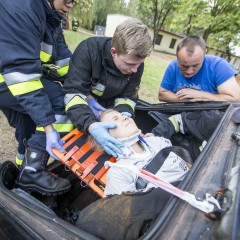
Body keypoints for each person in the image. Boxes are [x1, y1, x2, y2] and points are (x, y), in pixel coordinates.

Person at [0, 0, 75, 195]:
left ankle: (21, 169)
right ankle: (32, 172)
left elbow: (64, 63)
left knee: (30, 124)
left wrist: (85, 86)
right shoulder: (22, 8)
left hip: (12, 75)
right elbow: (22, 74)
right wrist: (49, 128)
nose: (71, 4)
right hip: (9, 77)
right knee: (58, 101)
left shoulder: (51, 16)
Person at [63, 18, 152, 158]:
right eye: (129, 64)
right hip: (82, 107)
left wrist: (124, 114)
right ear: (113, 51)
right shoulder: (88, 51)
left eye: (139, 64)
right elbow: (73, 94)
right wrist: (90, 125)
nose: (135, 70)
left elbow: (128, 97)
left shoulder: (135, 63)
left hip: (111, 111)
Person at [88, 109, 192, 197]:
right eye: (115, 119)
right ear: (106, 137)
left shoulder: (157, 141)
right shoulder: (119, 173)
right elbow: (128, 214)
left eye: (122, 115)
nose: (125, 117)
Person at [158, 36, 240, 102]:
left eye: (195, 65)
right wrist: (188, 99)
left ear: (204, 55)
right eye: (184, 66)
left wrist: (201, 95)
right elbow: (162, 95)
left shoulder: (219, 66)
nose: (189, 71)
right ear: (177, 57)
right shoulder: (173, 66)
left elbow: (236, 99)